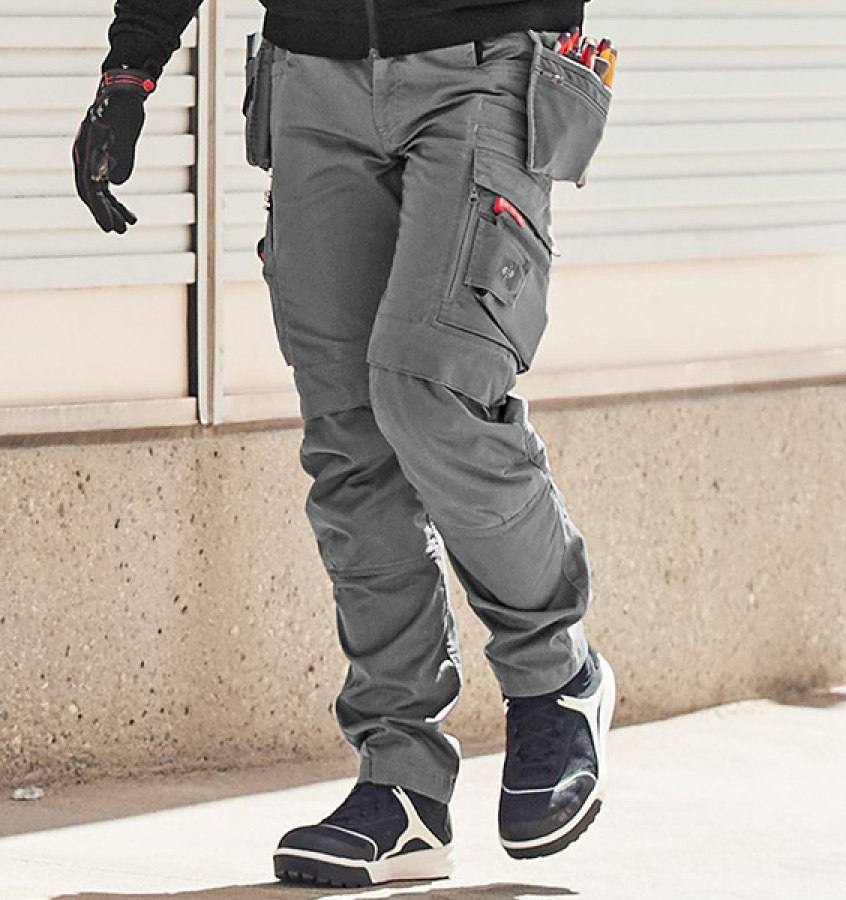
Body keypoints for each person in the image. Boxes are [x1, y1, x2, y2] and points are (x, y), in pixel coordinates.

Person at [73, 0, 616, 889]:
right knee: (348, 443)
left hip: (481, 60)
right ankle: (402, 783)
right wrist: (130, 69)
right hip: (309, 71)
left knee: (431, 393)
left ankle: (556, 677)